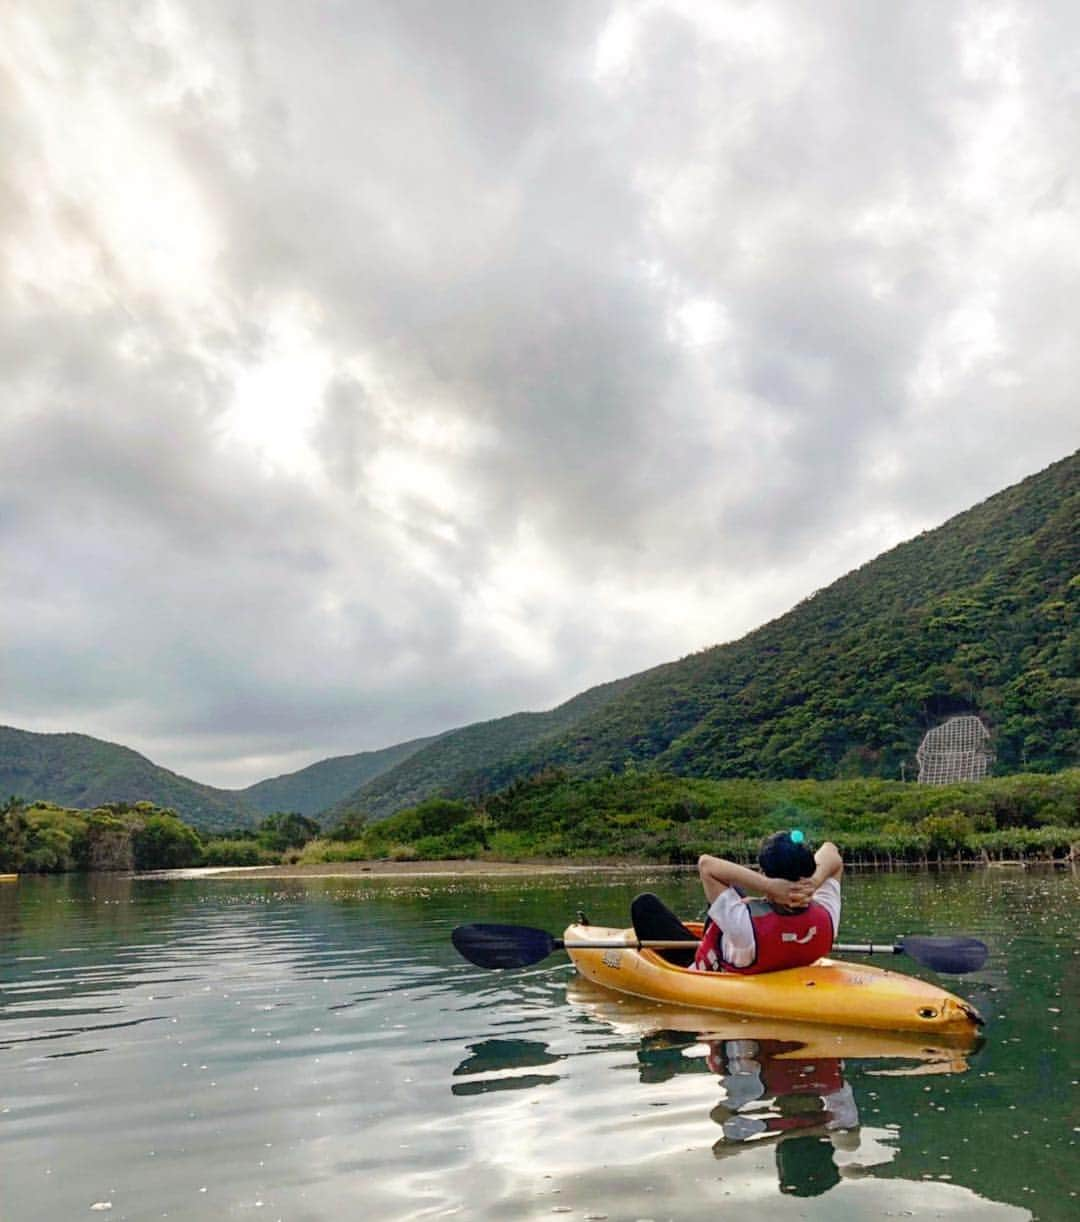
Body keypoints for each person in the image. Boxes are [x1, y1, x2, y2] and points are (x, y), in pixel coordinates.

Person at [691, 831, 843, 973]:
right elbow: (830, 850)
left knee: (734, 891)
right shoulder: (828, 915)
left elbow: (705, 865)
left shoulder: (743, 925)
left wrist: (768, 886)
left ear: (764, 875)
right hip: (791, 959)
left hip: (709, 970)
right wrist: (813, 883)